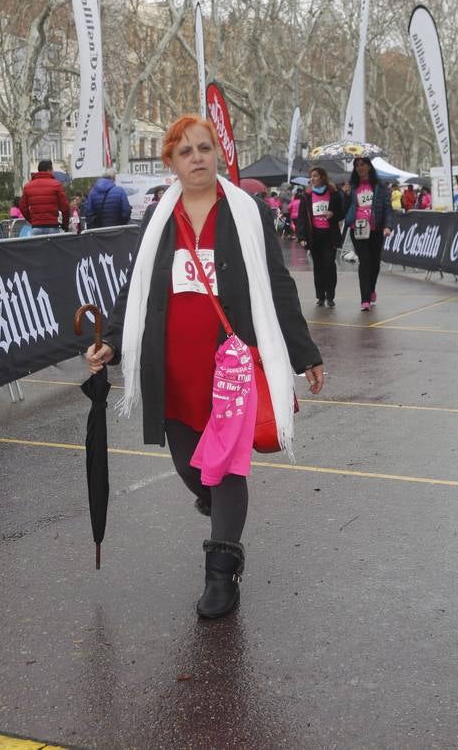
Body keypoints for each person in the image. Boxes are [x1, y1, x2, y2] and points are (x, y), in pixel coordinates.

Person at [84, 113, 324, 619]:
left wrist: (305, 354)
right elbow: (140, 288)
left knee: (226, 469)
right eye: (186, 151)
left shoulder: (246, 211)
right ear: (170, 162)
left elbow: (276, 283)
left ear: (217, 154)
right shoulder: (158, 218)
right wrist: (113, 342)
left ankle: (222, 574)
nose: (198, 158)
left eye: (205, 148)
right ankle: (219, 509)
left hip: (230, 365)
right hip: (171, 365)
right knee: (195, 472)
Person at [346, 156, 393, 311]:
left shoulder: (380, 186)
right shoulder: (351, 186)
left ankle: (371, 289)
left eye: (363, 164)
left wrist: (388, 226)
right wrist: (343, 194)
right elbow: (343, 207)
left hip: (376, 229)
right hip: (357, 229)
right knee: (364, 262)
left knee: (375, 263)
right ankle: (364, 299)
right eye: (357, 165)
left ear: (369, 166)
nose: (360, 167)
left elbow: (388, 208)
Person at [298, 166, 346, 307]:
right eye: (311, 176)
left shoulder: (334, 194)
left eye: (315, 176)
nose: (312, 179)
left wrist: (333, 215)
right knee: (318, 266)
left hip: (329, 235)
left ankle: (330, 296)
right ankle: (320, 296)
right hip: (315, 236)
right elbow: (302, 218)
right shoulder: (306, 195)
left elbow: (342, 213)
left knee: (329, 265)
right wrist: (301, 237)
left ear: (322, 177)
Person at [19, 159, 70, 236]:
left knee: (37, 248)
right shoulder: (56, 185)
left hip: (36, 227)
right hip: (52, 226)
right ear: (49, 170)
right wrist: (65, 225)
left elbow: (23, 208)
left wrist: (32, 221)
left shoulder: (28, 186)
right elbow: (65, 207)